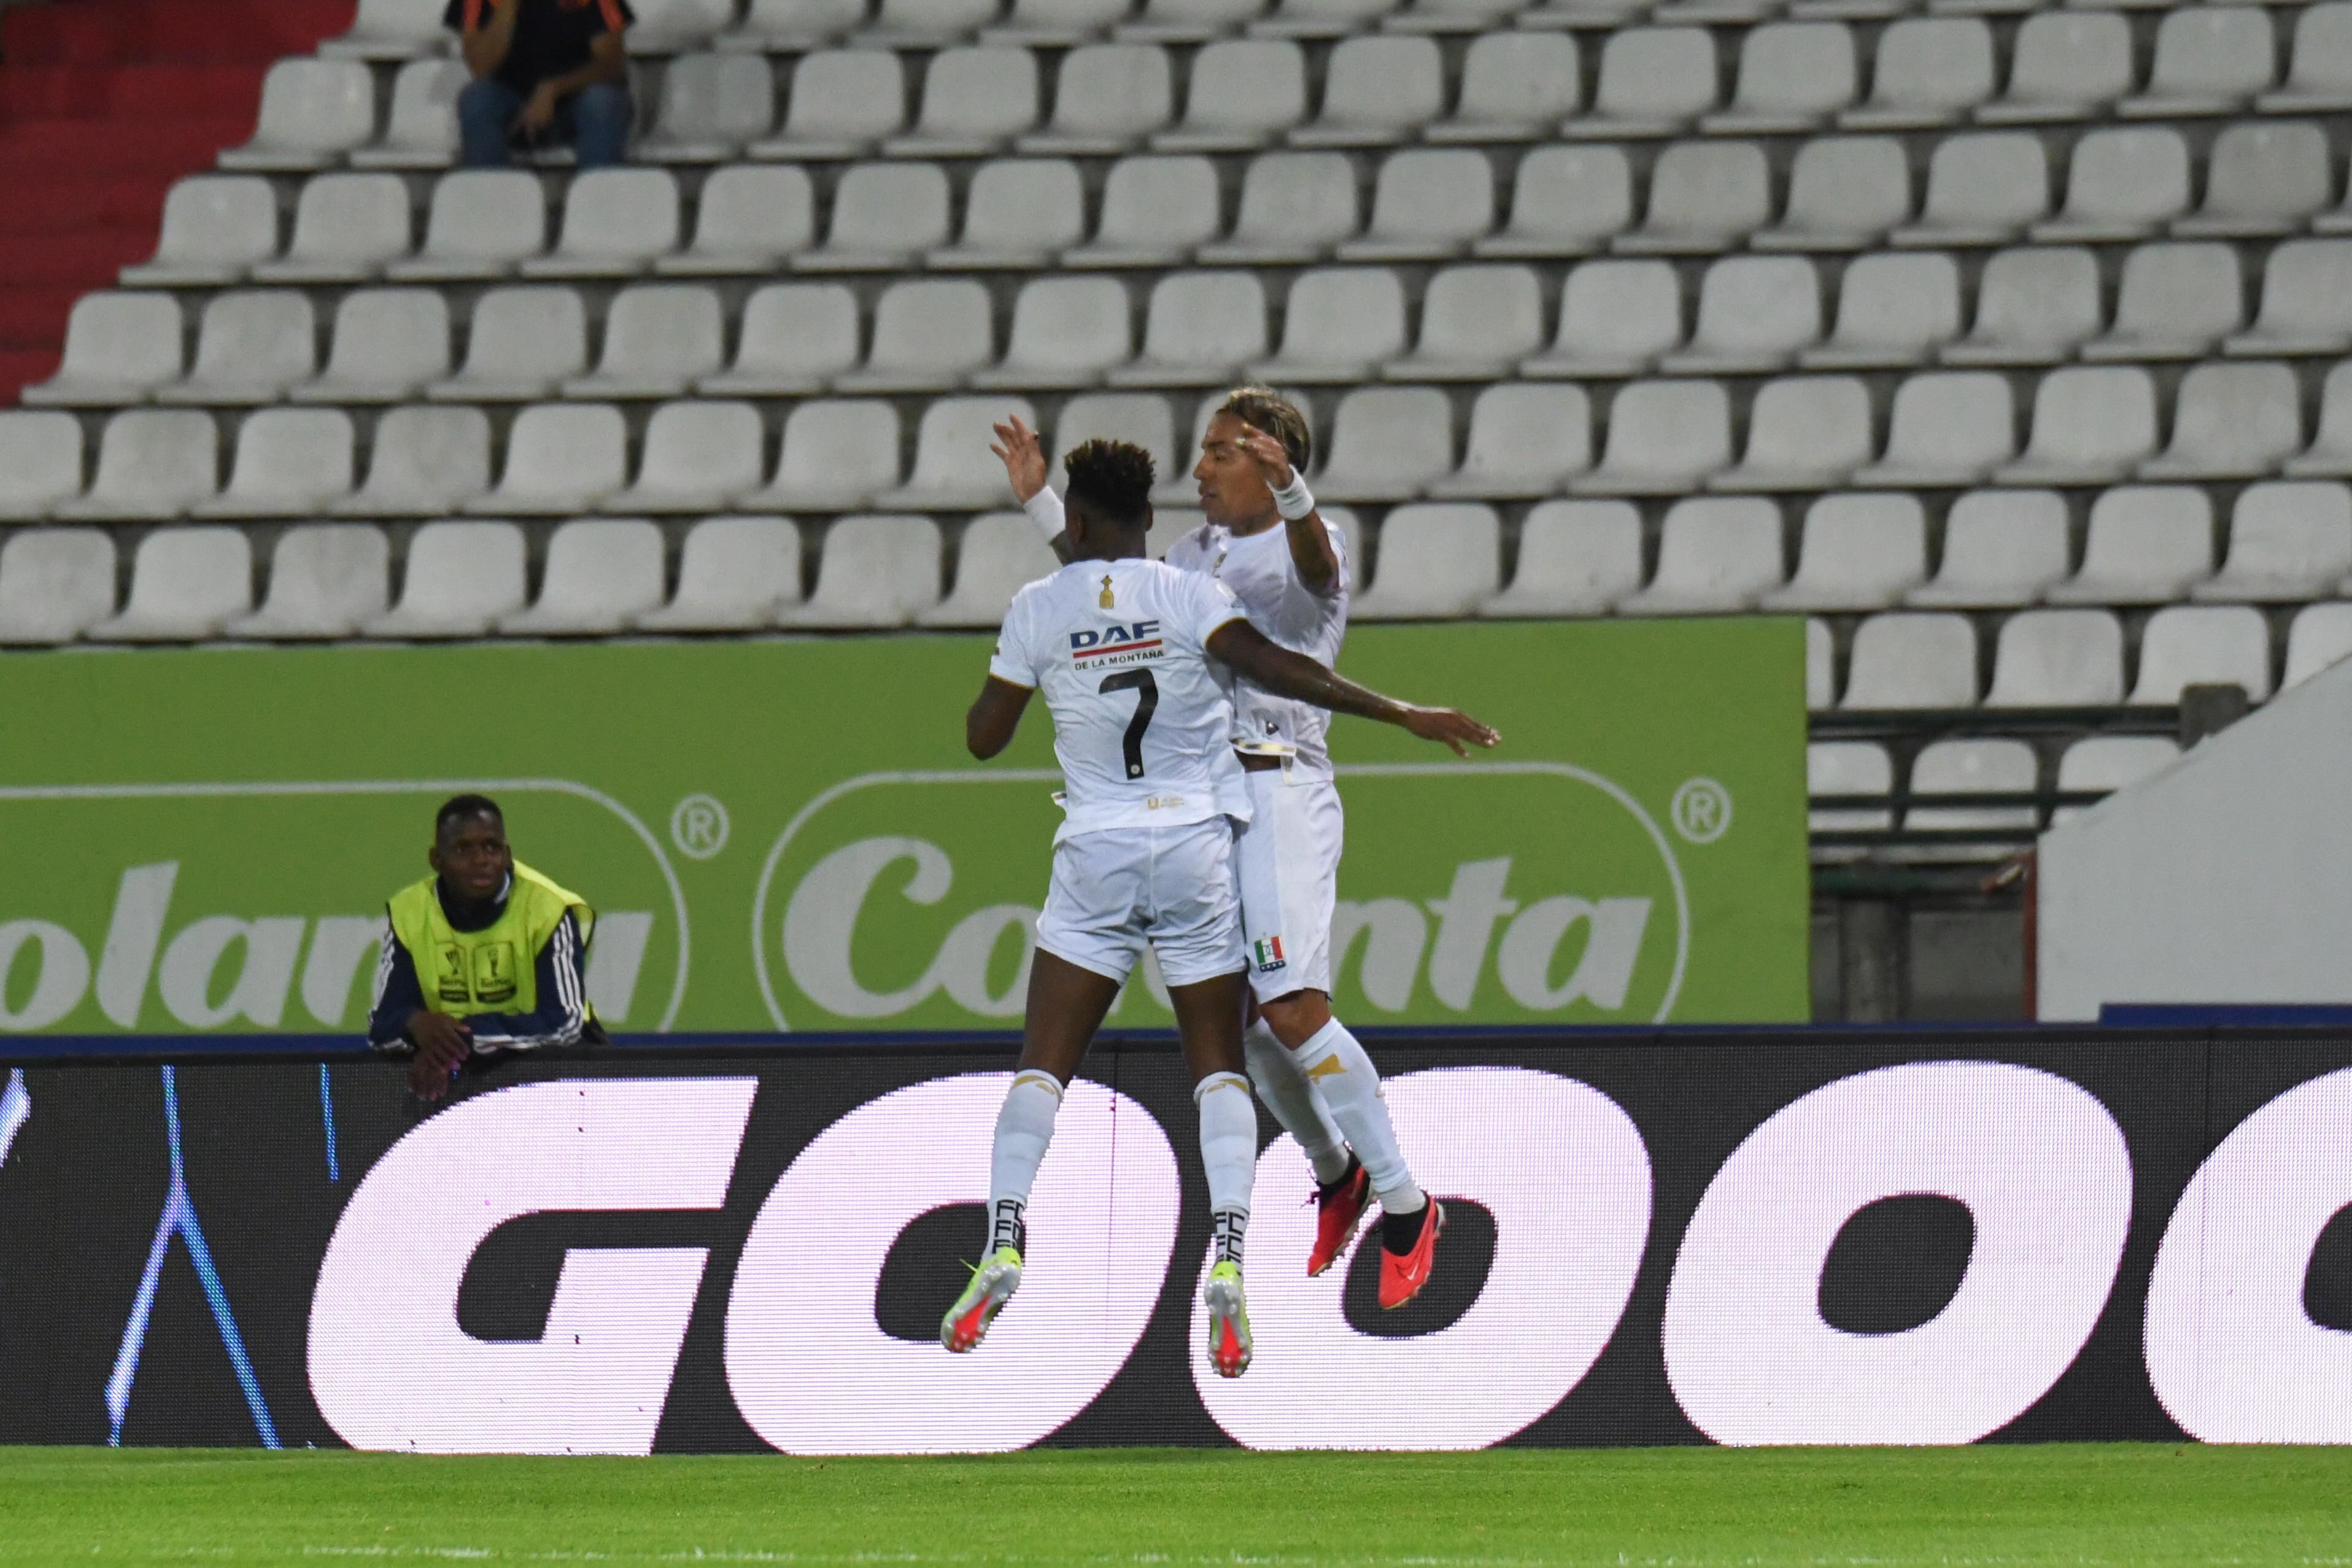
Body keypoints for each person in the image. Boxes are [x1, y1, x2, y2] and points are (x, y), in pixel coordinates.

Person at [945, 438, 1496, 1378]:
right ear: (1151, 515)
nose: (1208, 467)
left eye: (1229, 451)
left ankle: (1004, 1231)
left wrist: (1049, 650)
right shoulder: (1189, 584)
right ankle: (1237, 1248)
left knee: (1053, 1062)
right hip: (1200, 837)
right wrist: (1402, 713)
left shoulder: (1061, 603)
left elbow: (986, 734)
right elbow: (1264, 662)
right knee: (1227, 1049)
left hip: (1127, 842)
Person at [367, 795, 602, 1102]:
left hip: (555, 1075)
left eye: (491, 847)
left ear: (507, 855)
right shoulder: (410, 912)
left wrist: (458, 1041)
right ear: (437, 860)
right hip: (459, 1073)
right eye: (464, 849)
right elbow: (383, 1026)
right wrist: (417, 1024)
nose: (481, 860)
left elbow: (564, 1023)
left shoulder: (548, 908)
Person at [446, 0, 634, 171]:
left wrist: (553, 89)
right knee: (477, 100)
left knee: (602, 101)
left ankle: (597, 201)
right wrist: (509, 6)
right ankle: (492, 202)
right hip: (510, 106)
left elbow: (611, 66)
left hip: (577, 102)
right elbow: (481, 68)